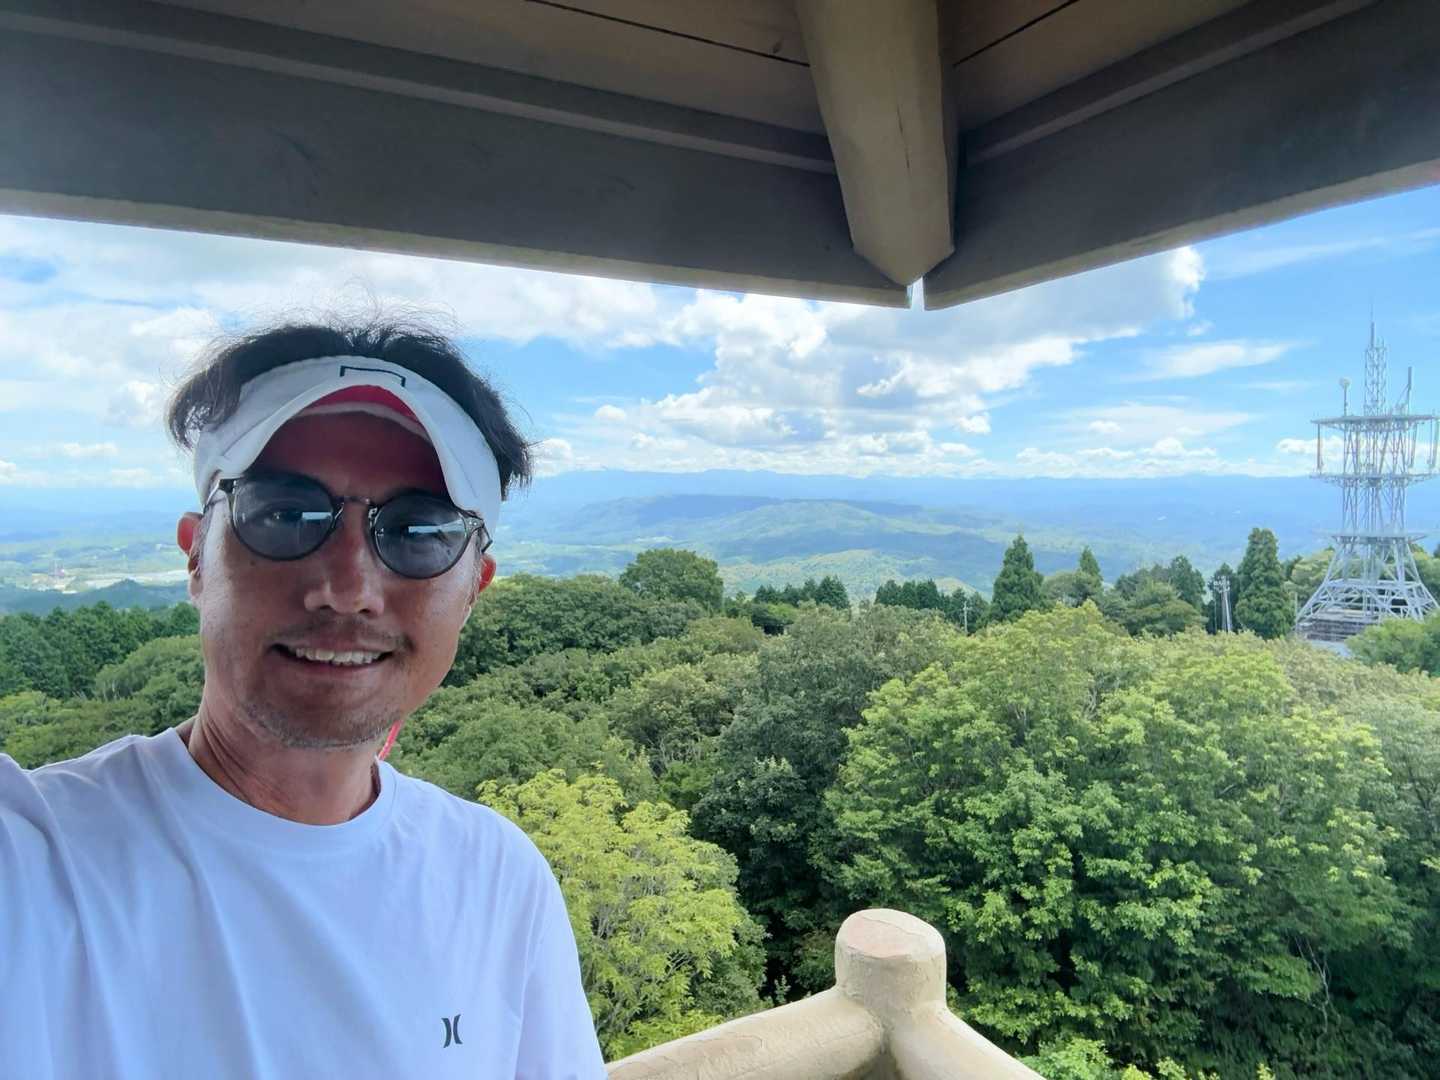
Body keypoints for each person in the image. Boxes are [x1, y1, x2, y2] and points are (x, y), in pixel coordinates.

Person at [0, 321, 609, 1078]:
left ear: (473, 589)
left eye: (418, 531)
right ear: (197, 557)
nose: (347, 587)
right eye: (285, 515)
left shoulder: (497, 880)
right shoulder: (37, 866)